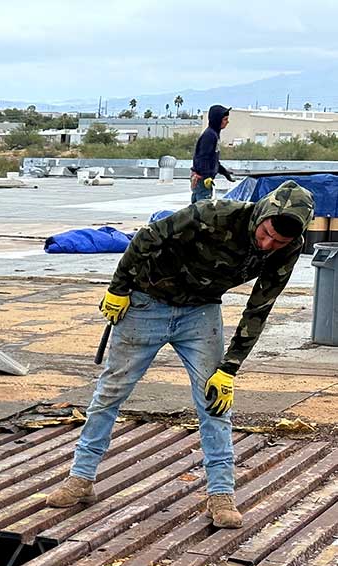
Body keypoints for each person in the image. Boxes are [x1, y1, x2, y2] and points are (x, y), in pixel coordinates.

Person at [47, 181, 314, 528]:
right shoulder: (213, 215)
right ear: (262, 215)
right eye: (266, 234)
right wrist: (119, 289)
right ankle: (81, 478)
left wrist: (230, 368)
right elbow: (148, 237)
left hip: (200, 314)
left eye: (278, 242)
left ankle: (221, 496)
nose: (267, 245)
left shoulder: (287, 248)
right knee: (110, 392)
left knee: (214, 401)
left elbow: (259, 307)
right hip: (146, 303)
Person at [190, 105, 233, 204]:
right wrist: (206, 176)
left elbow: (213, 160)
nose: (227, 122)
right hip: (202, 180)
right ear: (217, 120)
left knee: (198, 209)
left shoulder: (214, 134)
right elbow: (202, 157)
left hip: (205, 179)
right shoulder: (209, 136)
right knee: (203, 210)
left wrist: (224, 172)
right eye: (225, 119)